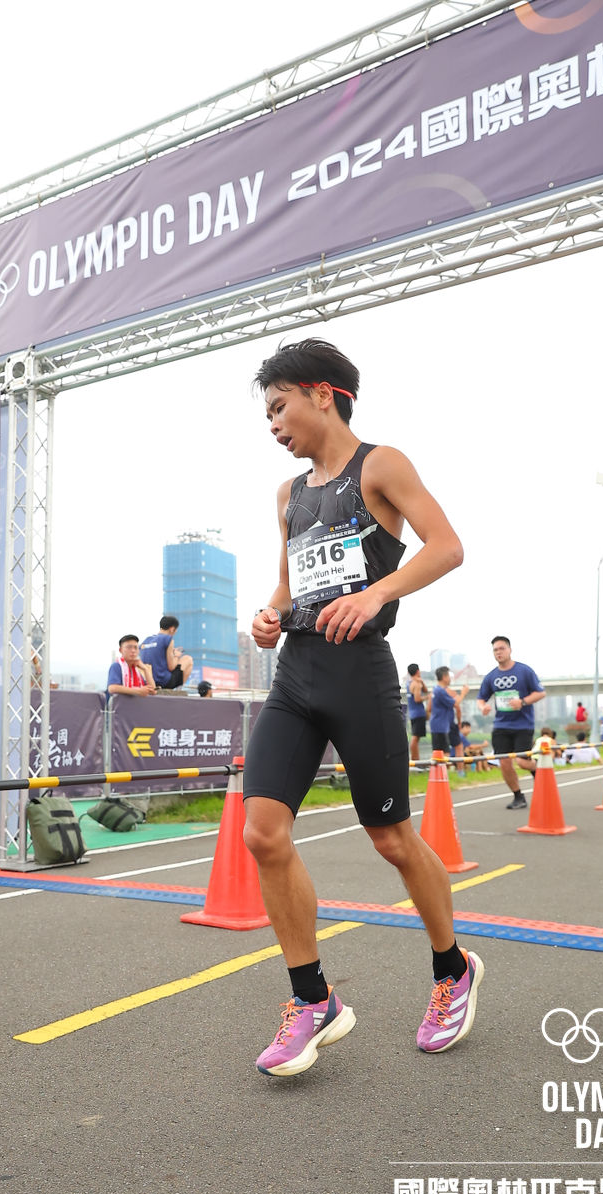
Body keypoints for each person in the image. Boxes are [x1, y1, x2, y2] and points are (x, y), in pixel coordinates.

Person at [243, 337, 482, 1078]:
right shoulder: (287, 495)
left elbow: (446, 547)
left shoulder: (381, 465)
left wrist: (377, 593)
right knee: (262, 833)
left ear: (322, 394)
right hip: (295, 676)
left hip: (361, 676)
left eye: (278, 407)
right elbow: (289, 585)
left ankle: (452, 969)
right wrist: (269, 616)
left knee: (392, 840)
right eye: (265, 414)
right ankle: (312, 998)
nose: (272, 424)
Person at [477, 635, 546, 809]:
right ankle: (518, 796)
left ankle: (539, 769)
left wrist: (522, 702)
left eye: (502, 648)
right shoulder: (491, 677)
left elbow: (540, 693)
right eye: (495, 650)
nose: (498, 652)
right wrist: (483, 707)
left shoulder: (524, 671)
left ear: (510, 650)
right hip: (501, 726)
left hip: (523, 725)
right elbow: (481, 698)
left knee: (522, 762)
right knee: (504, 762)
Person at [139, 616, 194, 690]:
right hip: (164, 681)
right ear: (172, 629)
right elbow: (171, 667)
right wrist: (176, 656)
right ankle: (178, 689)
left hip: (148, 681)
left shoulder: (146, 640)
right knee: (188, 659)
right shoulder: (168, 639)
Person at [427, 667, 468, 766]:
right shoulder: (441, 691)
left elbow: (429, 708)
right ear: (444, 677)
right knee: (444, 753)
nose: (450, 679)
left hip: (440, 725)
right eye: (449, 676)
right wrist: (463, 693)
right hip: (440, 726)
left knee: (441, 752)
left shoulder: (435, 690)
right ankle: (442, 774)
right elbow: (456, 703)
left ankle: (445, 773)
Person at [405, 663, 429, 762]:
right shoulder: (416, 684)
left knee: (416, 737)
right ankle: (416, 761)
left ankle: (416, 761)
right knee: (415, 738)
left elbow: (425, 689)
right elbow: (417, 699)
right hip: (419, 713)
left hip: (413, 713)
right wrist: (427, 697)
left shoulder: (409, 683)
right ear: (418, 671)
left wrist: (421, 681)